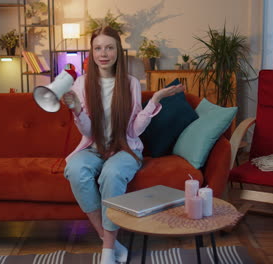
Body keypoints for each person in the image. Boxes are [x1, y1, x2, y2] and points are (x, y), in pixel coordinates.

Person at [62, 26, 184, 264]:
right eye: (98, 48)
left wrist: (155, 100)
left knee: (113, 172)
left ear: (118, 51)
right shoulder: (82, 84)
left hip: (125, 148)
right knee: (76, 169)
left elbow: (134, 130)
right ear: (92, 52)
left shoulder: (130, 83)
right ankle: (111, 242)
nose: (103, 53)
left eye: (109, 47)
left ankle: (107, 252)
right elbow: (88, 131)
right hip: (93, 148)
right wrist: (77, 109)